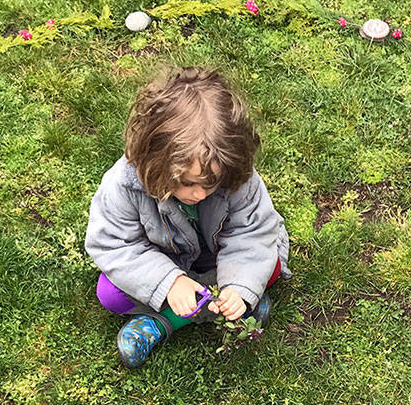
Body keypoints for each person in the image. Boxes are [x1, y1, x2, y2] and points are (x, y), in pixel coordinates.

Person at [85, 65, 291, 368]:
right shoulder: (123, 184)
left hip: (217, 259)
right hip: (160, 261)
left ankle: (165, 321)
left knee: (268, 266)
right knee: (110, 294)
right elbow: (114, 245)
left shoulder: (237, 176)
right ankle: (218, 308)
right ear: (155, 161)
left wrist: (239, 286)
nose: (199, 194)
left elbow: (253, 232)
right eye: (187, 183)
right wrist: (169, 282)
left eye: (211, 183)